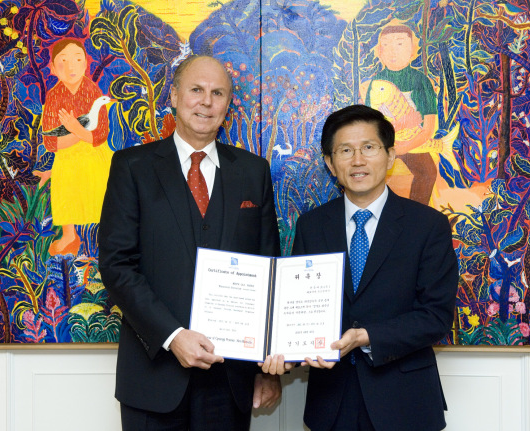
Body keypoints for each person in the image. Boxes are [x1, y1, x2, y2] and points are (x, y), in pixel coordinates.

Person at [98, 55, 282, 430]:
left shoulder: (253, 172)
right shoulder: (131, 167)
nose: (206, 101)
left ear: (228, 104)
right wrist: (173, 336)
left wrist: (268, 365)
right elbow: (117, 264)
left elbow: (269, 268)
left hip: (230, 381)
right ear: (175, 95)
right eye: (196, 90)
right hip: (154, 376)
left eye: (218, 93)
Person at [291, 105, 457, 431]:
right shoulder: (311, 226)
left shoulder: (427, 226)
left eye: (369, 148)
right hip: (331, 402)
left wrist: (366, 336)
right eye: (345, 150)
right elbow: (297, 308)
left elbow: (436, 316)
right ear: (330, 162)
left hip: (405, 400)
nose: (358, 160)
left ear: (390, 155)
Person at [41, 38, 113, 256]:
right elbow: (51, 142)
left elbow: (99, 136)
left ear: (85, 64)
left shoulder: (92, 91)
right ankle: (69, 235)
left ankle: (105, 236)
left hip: (94, 153)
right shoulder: (53, 96)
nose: (71, 67)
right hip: (66, 155)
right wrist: (79, 134)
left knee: (101, 186)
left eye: (77, 60)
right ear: (53, 68)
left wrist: (75, 129)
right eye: (63, 61)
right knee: (64, 186)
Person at [365, 23, 439, 205]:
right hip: (382, 143)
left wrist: (404, 147)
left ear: (413, 50)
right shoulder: (376, 83)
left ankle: (416, 216)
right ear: (379, 52)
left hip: (412, 142)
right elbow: (369, 127)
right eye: (386, 45)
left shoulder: (421, 81)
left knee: (428, 172)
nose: (393, 52)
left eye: (400, 44)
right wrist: (399, 127)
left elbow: (428, 127)